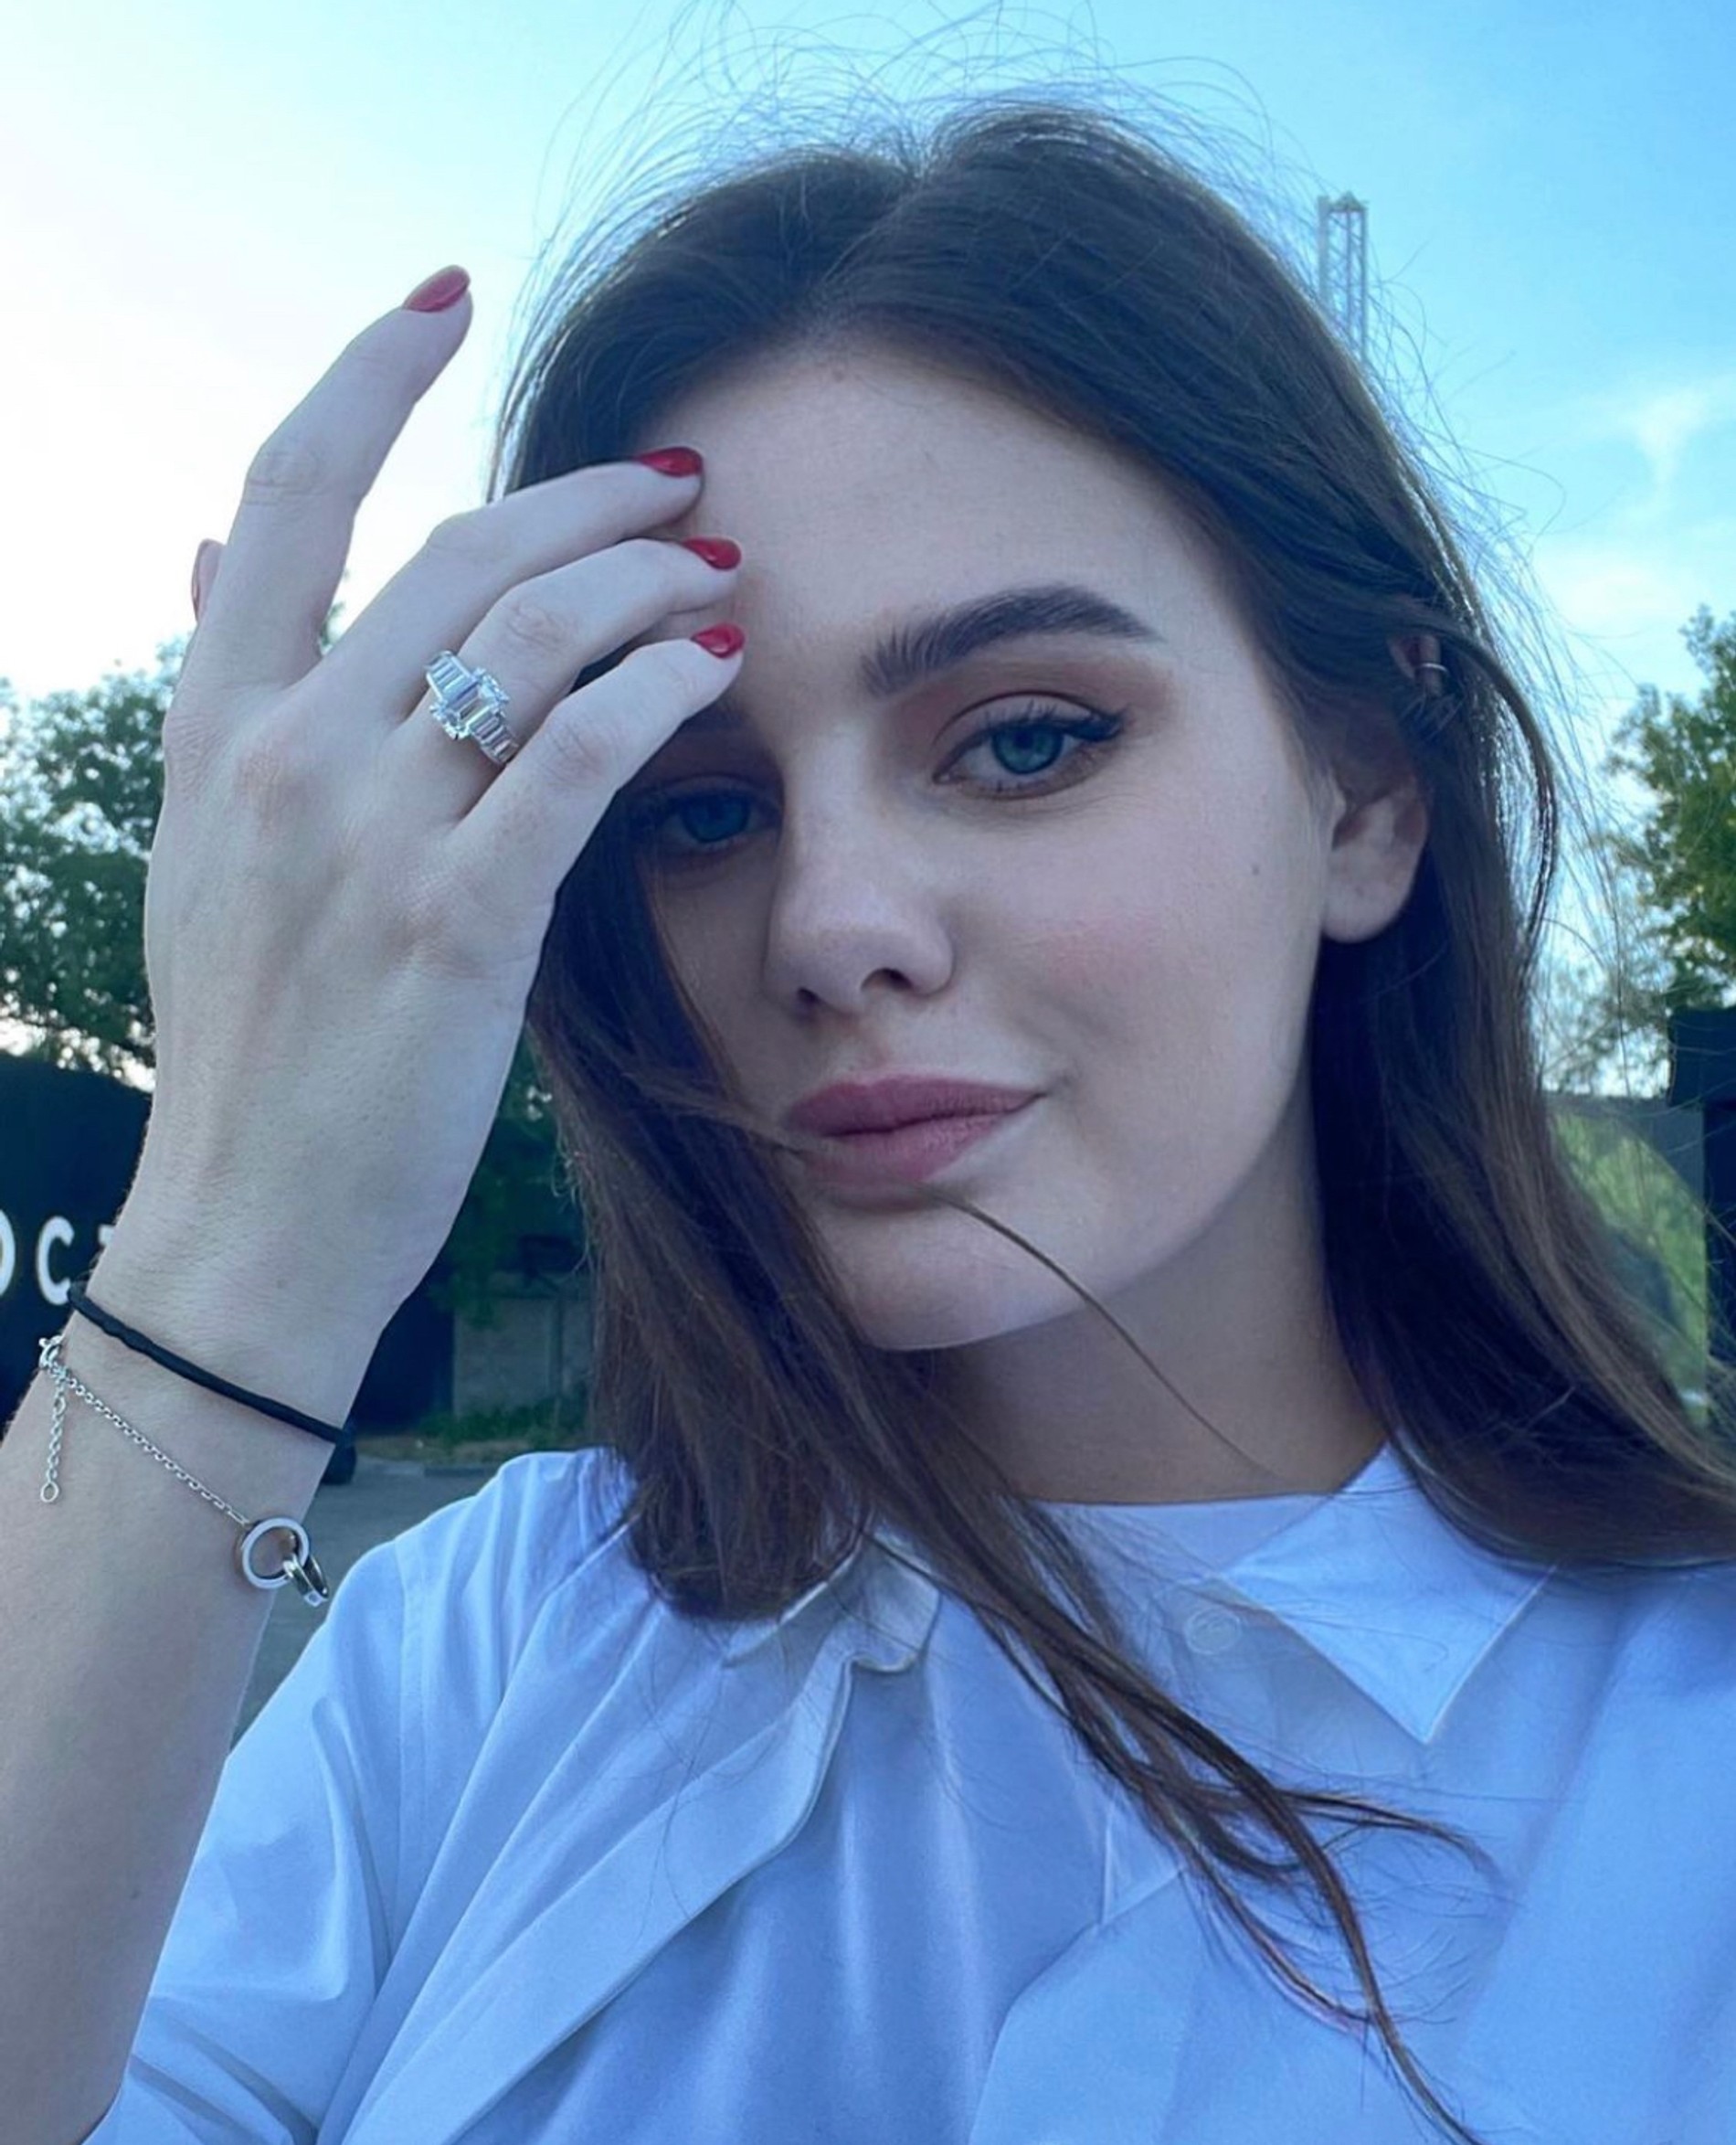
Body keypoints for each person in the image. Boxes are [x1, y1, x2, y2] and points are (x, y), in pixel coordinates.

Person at [5, 88, 1735, 2145]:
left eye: (1026, 741)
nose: (830, 928)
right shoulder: (468, 1656)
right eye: (699, 809)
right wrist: (228, 1255)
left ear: (1363, 798)